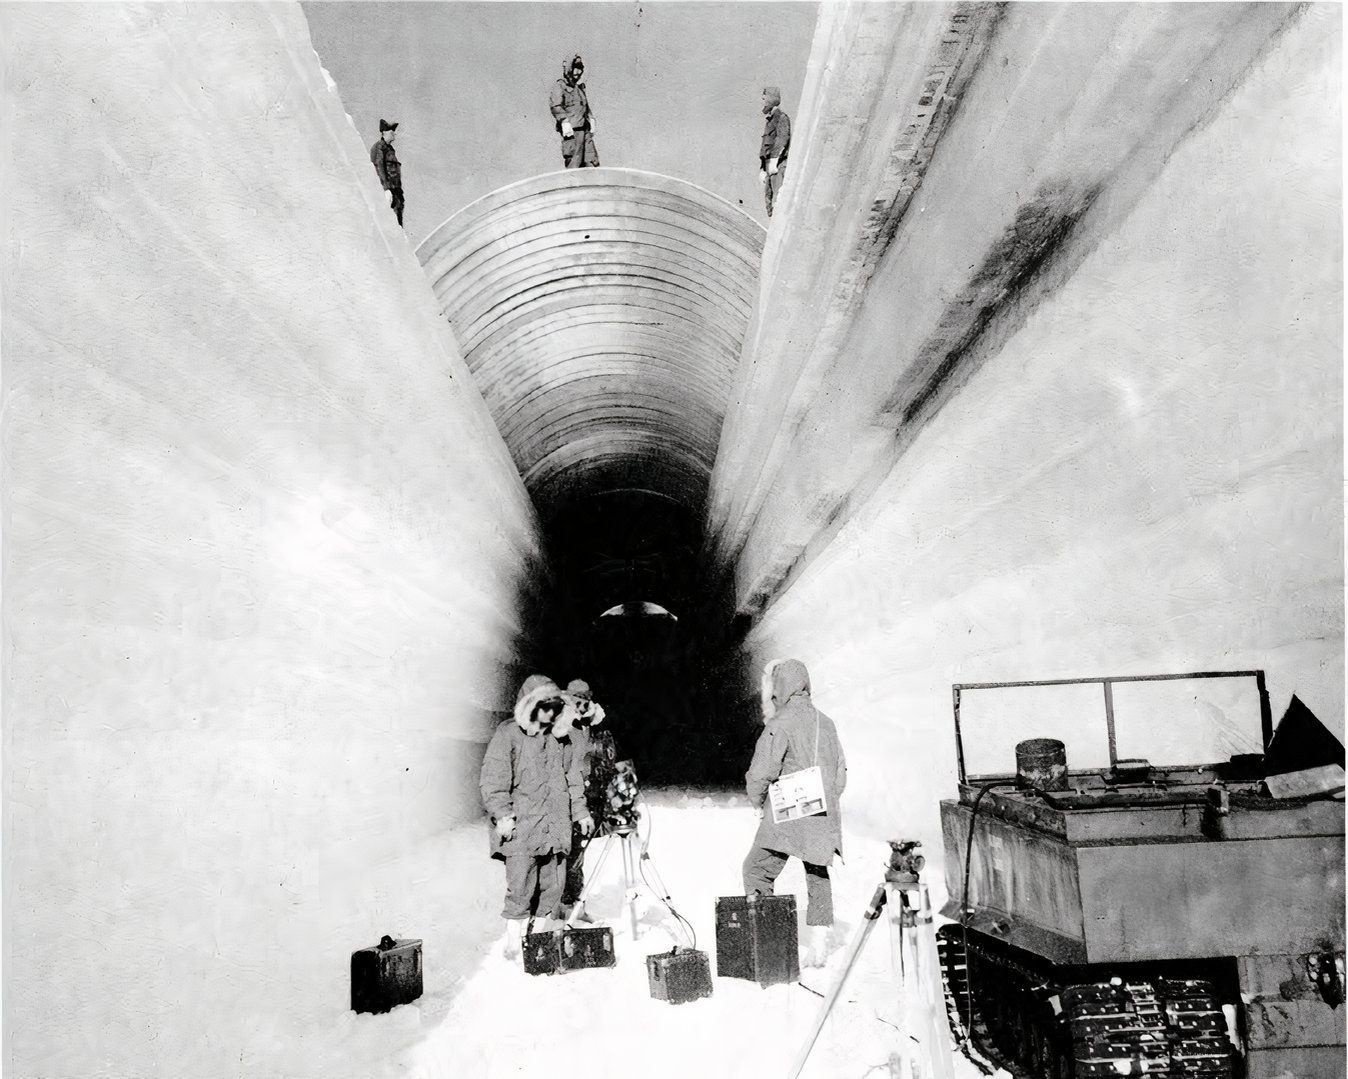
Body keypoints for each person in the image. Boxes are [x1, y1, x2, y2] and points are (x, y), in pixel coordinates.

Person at [480, 675, 593, 960]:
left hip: (556, 825)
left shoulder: (562, 738)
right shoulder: (509, 734)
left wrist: (580, 812)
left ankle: (540, 943)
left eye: (555, 705)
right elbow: (493, 781)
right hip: (523, 827)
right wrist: (503, 814)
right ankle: (514, 943)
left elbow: (573, 779)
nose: (550, 711)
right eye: (544, 705)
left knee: (553, 886)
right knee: (520, 886)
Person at [742, 658, 846, 966]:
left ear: (781, 687)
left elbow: (760, 772)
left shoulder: (780, 723)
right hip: (821, 811)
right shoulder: (827, 723)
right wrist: (823, 799)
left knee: (757, 869)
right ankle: (821, 937)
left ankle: (768, 943)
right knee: (817, 870)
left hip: (786, 812)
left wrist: (759, 802)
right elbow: (840, 776)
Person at [559, 679, 613, 920]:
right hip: (565, 796)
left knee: (577, 853)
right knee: (565, 853)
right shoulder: (562, 726)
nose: (581, 704)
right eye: (575, 699)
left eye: (584, 699)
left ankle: (574, 903)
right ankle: (560, 904)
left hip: (585, 795)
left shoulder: (592, 726)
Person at [550, 54, 599, 168]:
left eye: (580, 68)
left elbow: (585, 106)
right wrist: (564, 121)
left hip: (585, 130)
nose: (578, 72)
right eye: (575, 68)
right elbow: (555, 105)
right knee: (574, 164)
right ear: (569, 69)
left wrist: (591, 118)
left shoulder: (579, 89)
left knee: (591, 161)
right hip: (572, 133)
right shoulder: (560, 86)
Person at [759, 87, 791, 218]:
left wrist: (773, 161)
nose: (762, 99)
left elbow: (782, 139)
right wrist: (763, 168)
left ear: (771, 98)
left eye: (764, 96)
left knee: (778, 204)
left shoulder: (781, 117)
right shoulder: (770, 120)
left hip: (777, 166)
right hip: (769, 168)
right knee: (769, 205)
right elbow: (765, 147)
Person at [369, 119, 404, 227]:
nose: (394, 134)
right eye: (391, 132)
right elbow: (379, 168)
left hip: (396, 189)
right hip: (389, 189)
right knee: (390, 220)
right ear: (384, 133)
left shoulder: (389, 149)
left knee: (398, 217)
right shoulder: (379, 148)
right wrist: (386, 188)